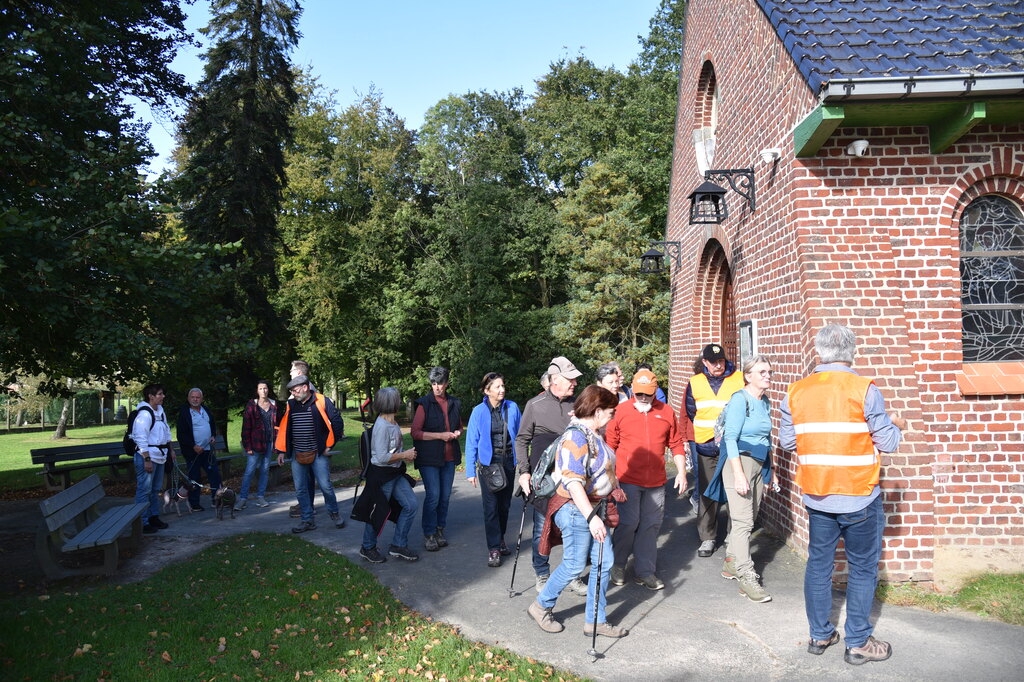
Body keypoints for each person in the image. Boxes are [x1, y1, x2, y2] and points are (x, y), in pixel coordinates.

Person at [779, 324, 905, 666]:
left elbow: (788, 443)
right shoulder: (864, 388)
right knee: (863, 568)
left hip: (818, 495)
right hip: (859, 494)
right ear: (852, 351)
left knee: (819, 566)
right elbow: (889, 442)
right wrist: (894, 422)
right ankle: (859, 642)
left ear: (819, 351)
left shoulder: (795, 391)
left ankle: (820, 635)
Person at [528, 385, 627, 638]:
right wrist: (592, 518)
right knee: (573, 565)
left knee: (604, 563)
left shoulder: (592, 434)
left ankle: (596, 620)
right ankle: (540, 606)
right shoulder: (576, 438)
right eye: (610, 412)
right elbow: (572, 482)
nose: (612, 416)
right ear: (597, 411)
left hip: (594, 508)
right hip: (576, 510)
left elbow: (601, 467)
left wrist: (614, 487)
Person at [704, 355, 781, 602]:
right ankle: (747, 577)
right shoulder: (740, 400)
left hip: (758, 464)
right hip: (739, 463)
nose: (768, 376)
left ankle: (731, 563)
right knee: (743, 522)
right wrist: (738, 474)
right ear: (748, 375)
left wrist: (772, 470)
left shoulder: (764, 402)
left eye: (769, 372)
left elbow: (766, 440)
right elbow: (730, 438)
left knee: (749, 517)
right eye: (762, 372)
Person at [605, 369, 687, 590]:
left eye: (647, 394)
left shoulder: (666, 412)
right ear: (632, 389)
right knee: (628, 523)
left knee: (650, 526)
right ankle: (618, 564)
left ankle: (645, 571)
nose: (642, 398)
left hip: (656, 482)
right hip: (627, 479)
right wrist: (610, 480)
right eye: (638, 393)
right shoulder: (620, 411)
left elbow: (677, 444)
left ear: (655, 391)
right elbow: (609, 447)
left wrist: (681, 472)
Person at [515, 356, 588, 596]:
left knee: (574, 528)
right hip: (543, 481)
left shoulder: (577, 406)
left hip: (571, 479)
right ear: (555, 379)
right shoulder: (535, 405)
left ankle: (573, 575)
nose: (574, 384)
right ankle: (542, 574)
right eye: (570, 379)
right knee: (540, 530)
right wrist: (524, 472)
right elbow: (521, 440)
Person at [685, 343, 745, 557]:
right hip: (706, 444)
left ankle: (732, 534)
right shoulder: (695, 382)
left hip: (733, 445)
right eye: (713, 362)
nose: (718, 365)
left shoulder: (738, 379)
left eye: (721, 361)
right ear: (705, 363)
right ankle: (707, 538)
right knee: (707, 491)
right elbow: (691, 412)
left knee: (734, 491)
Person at [354, 387, 419, 563]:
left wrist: (404, 453)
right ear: (392, 403)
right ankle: (367, 547)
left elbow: (391, 451)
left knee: (411, 505)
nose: (400, 401)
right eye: (398, 399)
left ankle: (398, 545)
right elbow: (382, 457)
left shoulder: (393, 423)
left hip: (395, 473)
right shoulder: (382, 426)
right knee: (378, 512)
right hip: (382, 475)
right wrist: (404, 455)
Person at [275, 374, 346, 533]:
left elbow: (337, 422)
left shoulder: (321, 400)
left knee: (325, 486)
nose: (293, 393)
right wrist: (281, 451)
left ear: (305, 388)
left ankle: (334, 513)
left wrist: (330, 445)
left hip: (318, 453)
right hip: (297, 454)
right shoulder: (291, 404)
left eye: (295, 390)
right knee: (300, 489)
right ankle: (307, 520)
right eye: (292, 390)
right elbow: (284, 428)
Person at [464, 372, 522, 567]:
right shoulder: (478, 411)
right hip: (489, 464)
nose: (502, 389)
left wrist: (522, 462)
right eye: (497, 387)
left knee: (504, 506)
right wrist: (470, 471)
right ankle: (494, 548)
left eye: (503, 386)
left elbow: (521, 437)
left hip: (508, 461)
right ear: (487, 390)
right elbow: (471, 441)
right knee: (491, 508)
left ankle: (501, 538)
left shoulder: (512, 408)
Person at [411, 366, 463, 551]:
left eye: (440, 383)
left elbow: (459, 426)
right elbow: (415, 433)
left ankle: (440, 529)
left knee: (445, 496)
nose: (437, 387)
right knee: (433, 495)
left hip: (449, 457)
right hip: (429, 458)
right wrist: (440, 436)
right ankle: (429, 533)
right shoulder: (424, 404)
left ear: (447, 383)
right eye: (433, 383)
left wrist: (457, 432)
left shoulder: (455, 403)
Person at [131, 383, 174, 533]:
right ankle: (142, 522)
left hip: (160, 456)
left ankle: (153, 517)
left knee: (155, 489)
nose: (163, 397)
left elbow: (167, 433)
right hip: (147, 456)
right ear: (150, 396)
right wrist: (146, 459)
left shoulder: (161, 412)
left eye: (163, 394)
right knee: (144, 490)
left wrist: (171, 450)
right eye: (160, 394)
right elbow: (140, 437)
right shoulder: (144, 414)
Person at [176, 387, 222, 512]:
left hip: (207, 450)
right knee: (194, 477)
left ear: (201, 399)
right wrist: (193, 446)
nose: (195, 399)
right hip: (193, 451)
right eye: (193, 397)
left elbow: (211, 424)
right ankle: (194, 503)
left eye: (198, 397)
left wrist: (212, 436)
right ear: (188, 398)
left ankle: (217, 499)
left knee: (215, 474)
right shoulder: (185, 412)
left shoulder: (205, 410)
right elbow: (181, 434)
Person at [237, 379, 280, 510]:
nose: (263, 391)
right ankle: (242, 498)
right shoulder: (252, 405)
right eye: (261, 388)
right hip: (254, 444)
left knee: (265, 470)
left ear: (268, 389)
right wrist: (247, 446)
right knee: (249, 471)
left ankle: (260, 496)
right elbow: (246, 428)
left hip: (269, 443)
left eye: (265, 388)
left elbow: (276, 426)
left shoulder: (273, 404)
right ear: (257, 391)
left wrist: (277, 445)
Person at [288, 360, 319, 518]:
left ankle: (307, 506)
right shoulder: (301, 388)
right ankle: (306, 504)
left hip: (307, 445)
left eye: (292, 370)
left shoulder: (307, 391)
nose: (290, 373)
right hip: (301, 444)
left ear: (299, 373)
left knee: (306, 477)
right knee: (306, 477)